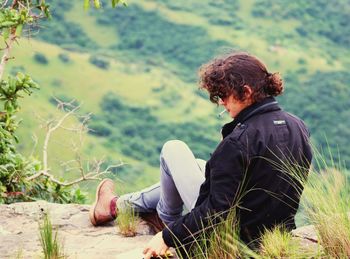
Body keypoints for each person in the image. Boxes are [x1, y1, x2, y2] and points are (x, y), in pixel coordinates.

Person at [89, 52, 312, 258]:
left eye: (223, 95)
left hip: (227, 243)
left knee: (173, 149)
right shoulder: (298, 126)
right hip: (272, 237)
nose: (221, 103)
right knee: (196, 164)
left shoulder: (238, 142)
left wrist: (167, 237)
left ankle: (159, 217)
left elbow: (216, 212)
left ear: (246, 92)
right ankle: (118, 205)